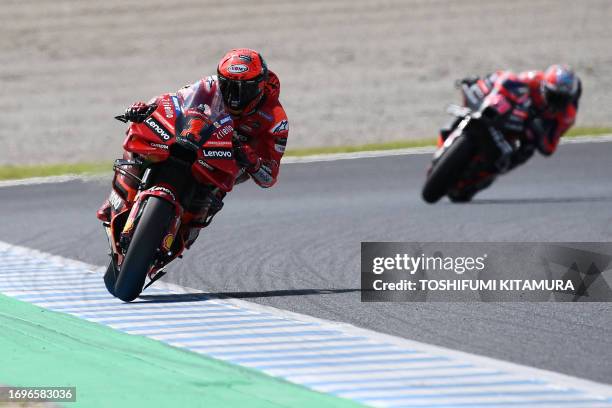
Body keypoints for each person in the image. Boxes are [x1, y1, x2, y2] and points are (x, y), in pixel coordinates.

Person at [97, 48, 289, 227]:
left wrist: (253, 161)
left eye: (243, 89)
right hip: (194, 141)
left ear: (260, 86)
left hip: (227, 162)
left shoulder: (275, 119)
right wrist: (148, 108)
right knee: (139, 130)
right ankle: (117, 197)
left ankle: (189, 223)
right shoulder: (209, 85)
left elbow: (269, 177)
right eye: (228, 86)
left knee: (211, 196)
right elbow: (175, 101)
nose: (234, 97)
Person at [441, 64, 581, 172]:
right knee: (479, 92)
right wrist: (482, 84)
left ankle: (495, 169)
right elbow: (505, 80)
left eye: (562, 99)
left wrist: (538, 131)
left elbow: (549, 148)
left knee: (527, 150)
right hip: (512, 114)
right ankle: (449, 139)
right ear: (544, 87)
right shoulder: (534, 79)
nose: (556, 102)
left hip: (525, 133)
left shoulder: (567, 117)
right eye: (553, 96)